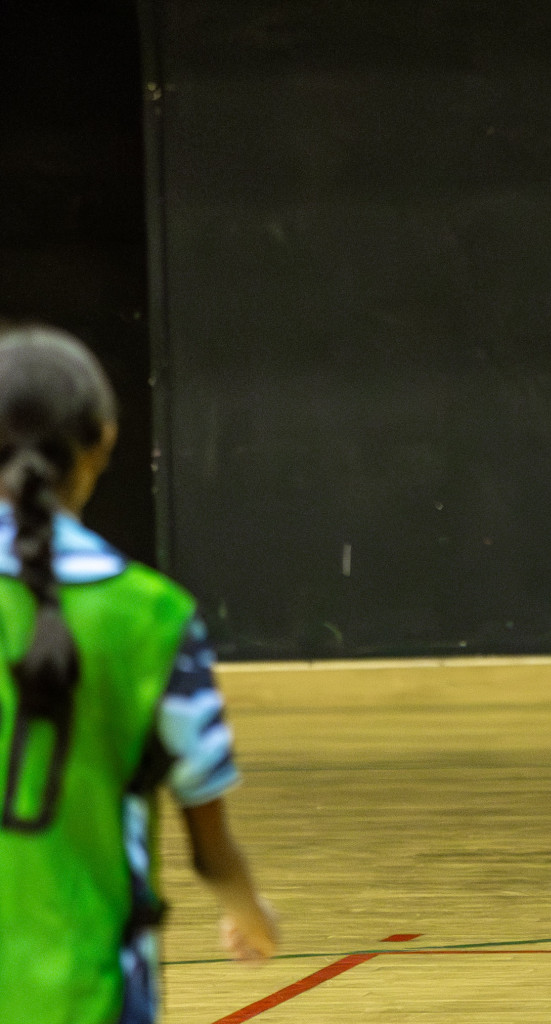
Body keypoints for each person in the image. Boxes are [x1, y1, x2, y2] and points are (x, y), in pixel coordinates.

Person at [0, 325, 278, 1024]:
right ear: (104, 442)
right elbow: (209, 846)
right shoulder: (154, 616)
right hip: (90, 991)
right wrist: (250, 912)